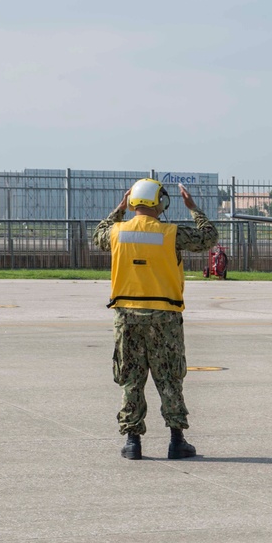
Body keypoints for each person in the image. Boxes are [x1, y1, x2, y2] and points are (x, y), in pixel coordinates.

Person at [92, 179, 219, 460]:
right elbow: (209, 237)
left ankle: (132, 442)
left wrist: (119, 209)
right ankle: (176, 440)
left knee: (131, 379)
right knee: (169, 378)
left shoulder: (116, 232)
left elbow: (97, 233)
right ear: (160, 203)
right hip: (165, 316)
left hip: (127, 316)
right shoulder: (171, 233)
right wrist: (193, 208)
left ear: (133, 202)